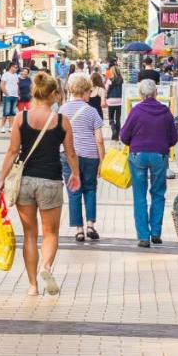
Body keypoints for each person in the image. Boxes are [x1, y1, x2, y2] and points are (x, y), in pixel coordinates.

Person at [0, 72, 82, 296]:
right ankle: (47, 267)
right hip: (51, 180)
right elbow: (71, 153)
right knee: (50, 232)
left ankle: (33, 286)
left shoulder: (20, 118)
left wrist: (1, 179)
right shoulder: (62, 121)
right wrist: (75, 174)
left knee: (30, 234)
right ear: (53, 94)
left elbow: (13, 151)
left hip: (25, 181)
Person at [119, 78, 178, 247]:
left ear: (140, 94)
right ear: (155, 93)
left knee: (140, 195)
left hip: (138, 154)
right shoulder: (165, 112)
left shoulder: (136, 111)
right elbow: (173, 139)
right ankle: (156, 232)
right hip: (159, 155)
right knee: (158, 193)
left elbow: (124, 136)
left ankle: (143, 236)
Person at [60, 72, 106, 242]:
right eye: (89, 92)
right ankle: (90, 225)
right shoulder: (92, 111)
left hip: (68, 155)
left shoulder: (62, 110)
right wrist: (102, 160)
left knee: (74, 192)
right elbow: (99, 139)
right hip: (90, 156)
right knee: (90, 189)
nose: (90, 95)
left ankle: (78, 230)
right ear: (85, 91)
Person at [105, 58, 124, 139]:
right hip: (119, 100)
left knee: (111, 117)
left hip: (111, 101)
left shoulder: (109, 80)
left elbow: (106, 89)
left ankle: (113, 130)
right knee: (118, 118)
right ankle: (117, 135)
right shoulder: (122, 80)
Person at [0, 65, 21, 133]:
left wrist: (18, 94)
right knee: (6, 112)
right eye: (15, 67)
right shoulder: (5, 75)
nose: (16, 69)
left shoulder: (16, 75)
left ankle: (11, 126)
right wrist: (6, 94)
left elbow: (17, 85)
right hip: (7, 96)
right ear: (11, 67)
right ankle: (2, 127)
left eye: (17, 68)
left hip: (15, 96)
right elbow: (1, 85)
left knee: (12, 112)